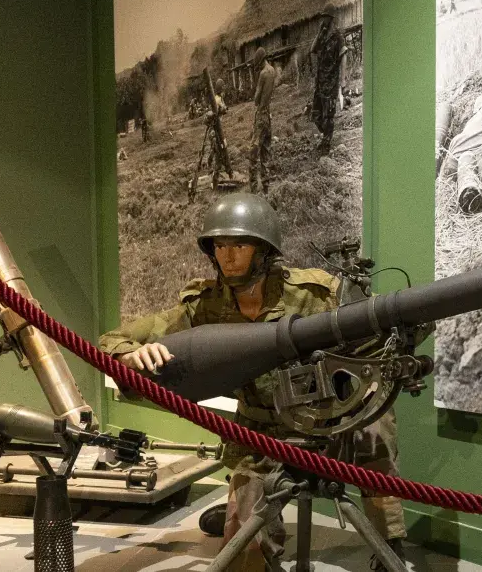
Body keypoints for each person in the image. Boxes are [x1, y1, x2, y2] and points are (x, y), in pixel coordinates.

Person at [98, 193, 405, 571]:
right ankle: (238, 517)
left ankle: (390, 540)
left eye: (239, 245)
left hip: (327, 421)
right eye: (220, 245)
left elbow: (370, 338)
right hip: (259, 430)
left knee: (375, 425)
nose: (227, 255)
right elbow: (113, 339)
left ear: (263, 250)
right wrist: (128, 355)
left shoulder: (314, 295)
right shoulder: (206, 304)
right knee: (244, 553)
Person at [308, 15, 345, 155]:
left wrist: (343, 81)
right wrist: (319, 34)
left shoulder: (338, 37)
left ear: (330, 18)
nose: (323, 20)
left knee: (328, 116)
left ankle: (326, 144)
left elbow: (344, 55)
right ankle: (326, 136)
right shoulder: (322, 36)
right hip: (320, 83)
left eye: (325, 17)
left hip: (331, 83)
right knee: (316, 114)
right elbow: (312, 49)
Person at [250, 52, 281, 193]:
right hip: (268, 114)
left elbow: (256, 98)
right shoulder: (273, 71)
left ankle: (253, 188)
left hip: (261, 115)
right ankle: (266, 186)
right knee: (266, 151)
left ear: (260, 61)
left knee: (254, 151)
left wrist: (257, 98)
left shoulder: (263, 74)